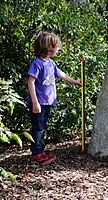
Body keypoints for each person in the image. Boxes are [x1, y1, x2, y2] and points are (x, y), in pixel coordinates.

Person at [27, 32, 81, 165]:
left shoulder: (51, 63)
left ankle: (40, 151)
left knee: (43, 126)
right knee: (38, 128)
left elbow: (61, 74)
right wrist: (35, 102)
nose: (58, 49)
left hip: (48, 102)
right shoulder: (37, 63)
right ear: (49, 48)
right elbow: (31, 82)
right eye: (56, 47)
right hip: (38, 103)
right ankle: (37, 154)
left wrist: (75, 81)